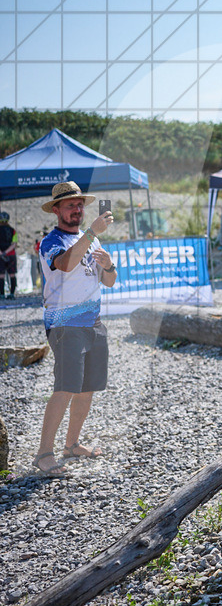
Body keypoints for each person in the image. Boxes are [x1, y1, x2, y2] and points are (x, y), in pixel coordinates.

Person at [33, 182, 117, 476]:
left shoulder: (90, 240)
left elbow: (109, 282)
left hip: (93, 323)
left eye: (80, 204)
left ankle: (71, 445)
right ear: (56, 210)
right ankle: (44, 453)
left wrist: (108, 266)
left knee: (87, 388)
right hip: (64, 324)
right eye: (70, 205)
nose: (77, 209)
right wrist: (93, 232)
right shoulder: (50, 241)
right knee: (66, 387)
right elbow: (66, 264)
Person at [0, 211, 18, 299]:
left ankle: (2, 294)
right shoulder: (12, 230)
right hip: (11, 255)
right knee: (12, 274)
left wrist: (1, 253)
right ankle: (11, 294)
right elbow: (14, 243)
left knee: (1, 275)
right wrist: (7, 252)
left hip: (0, 256)